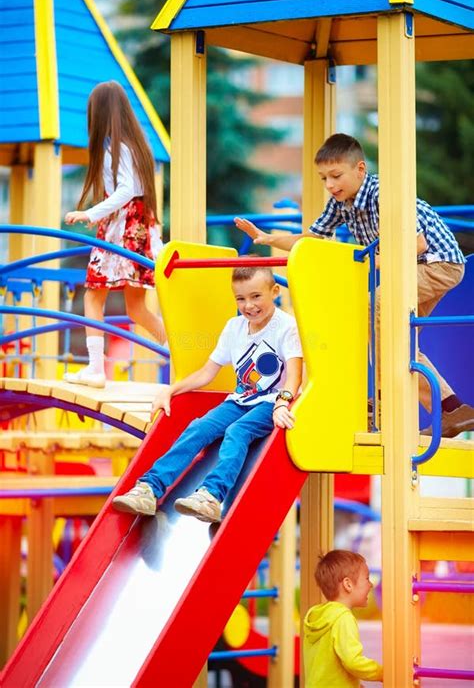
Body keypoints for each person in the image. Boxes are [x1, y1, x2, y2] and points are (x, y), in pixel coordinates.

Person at [235, 133, 474, 438]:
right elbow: (313, 238)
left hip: (438, 263)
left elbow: (416, 244)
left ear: (360, 169)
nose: (330, 185)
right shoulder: (342, 203)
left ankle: (382, 400)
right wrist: (267, 238)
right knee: (398, 342)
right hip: (410, 267)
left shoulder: (381, 193)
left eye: (336, 176)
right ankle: (451, 407)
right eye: (323, 179)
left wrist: (371, 259)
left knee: (377, 308)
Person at [113, 266, 303, 523]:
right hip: (241, 400)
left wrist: (283, 403)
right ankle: (149, 488)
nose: (249, 305)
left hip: (272, 402)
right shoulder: (234, 327)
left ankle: (211, 496)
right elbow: (206, 373)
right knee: (199, 427)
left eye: (256, 296)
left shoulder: (286, 327)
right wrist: (170, 390)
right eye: (241, 298)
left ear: (275, 291)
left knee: (238, 431)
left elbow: (294, 374)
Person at [63, 81, 166, 388]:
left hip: (121, 229)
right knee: (136, 308)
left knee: (93, 295)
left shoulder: (116, 149)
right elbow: (140, 193)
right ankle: (179, 349)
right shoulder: (137, 146)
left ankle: (96, 369)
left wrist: (90, 213)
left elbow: (125, 191)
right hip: (137, 228)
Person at [304, 550, 383, 687]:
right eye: (367, 578)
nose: (370, 584)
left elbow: (328, 667)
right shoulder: (343, 618)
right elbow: (353, 661)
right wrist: (382, 672)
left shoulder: (318, 616)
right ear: (348, 584)